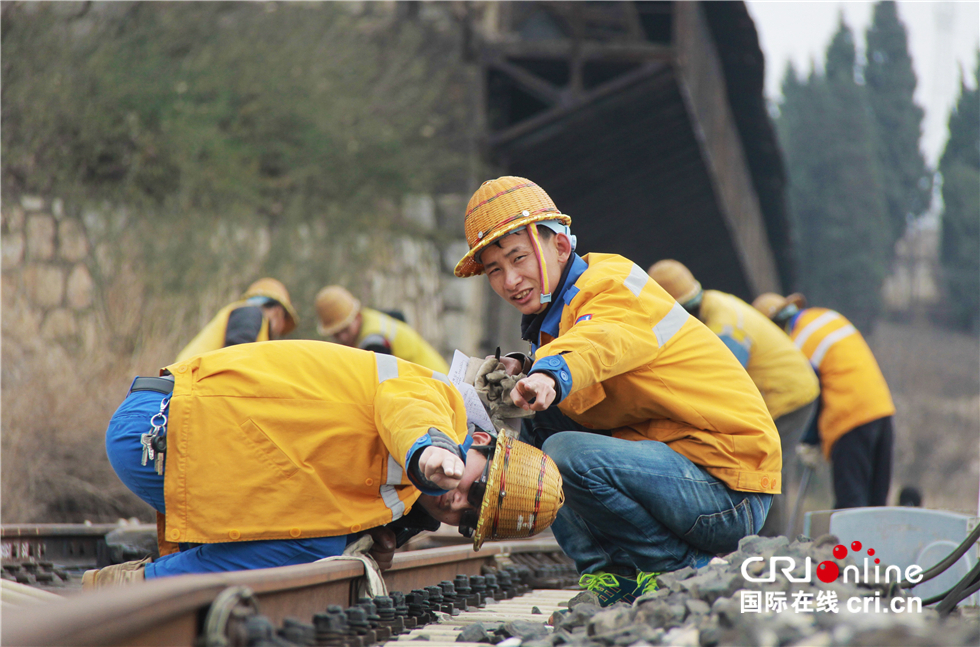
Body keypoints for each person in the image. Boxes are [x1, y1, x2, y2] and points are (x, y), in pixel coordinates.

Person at [453, 176, 781, 606]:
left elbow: (601, 338)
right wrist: (526, 367)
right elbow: (587, 347)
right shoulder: (560, 316)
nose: (510, 279)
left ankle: (677, 567)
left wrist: (549, 374)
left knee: (565, 453)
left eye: (518, 258)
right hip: (683, 470)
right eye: (495, 269)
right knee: (541, 428)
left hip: (728, 489)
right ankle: (609, 574)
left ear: (560, 247)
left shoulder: (614, 284)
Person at [83, 340, 562, 587]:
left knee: (326, 541)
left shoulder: (399, 498)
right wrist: (429, 447)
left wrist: (376, 535)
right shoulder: (438, 404)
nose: (459, 502)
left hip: (186, 442)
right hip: (165, 426)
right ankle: (140, 587)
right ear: (480, 441)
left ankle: (150, 581)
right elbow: (407, 409)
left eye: (469, 519)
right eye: (478, 489)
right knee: (317, 548)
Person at [648, 260, 820, 537]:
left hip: (789, 393)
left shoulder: (725, 328)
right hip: (781, 387)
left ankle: (770, 547)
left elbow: (720, 382)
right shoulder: (712, 303)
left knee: (767, 469)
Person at [753, 293, 895, 510]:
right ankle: (874, 545)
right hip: (881, 410)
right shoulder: (825, 317)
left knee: (851, 505)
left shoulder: (796, 343)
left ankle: (851, 545)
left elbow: (808, 395)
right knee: (876, 506)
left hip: (849, 418)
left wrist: (808, 440)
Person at [314, 285, 449, 373]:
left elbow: (377, 385)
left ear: (356, 315)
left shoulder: (374, 342)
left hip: (435, 386)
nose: (342, 337)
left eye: (345, 330)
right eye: (336, 334)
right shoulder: (371, 317)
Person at [175, 278, 299, 361]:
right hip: (185, 387)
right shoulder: (250, 313)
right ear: (279, 311)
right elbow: (235, 358)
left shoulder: (246, 316)